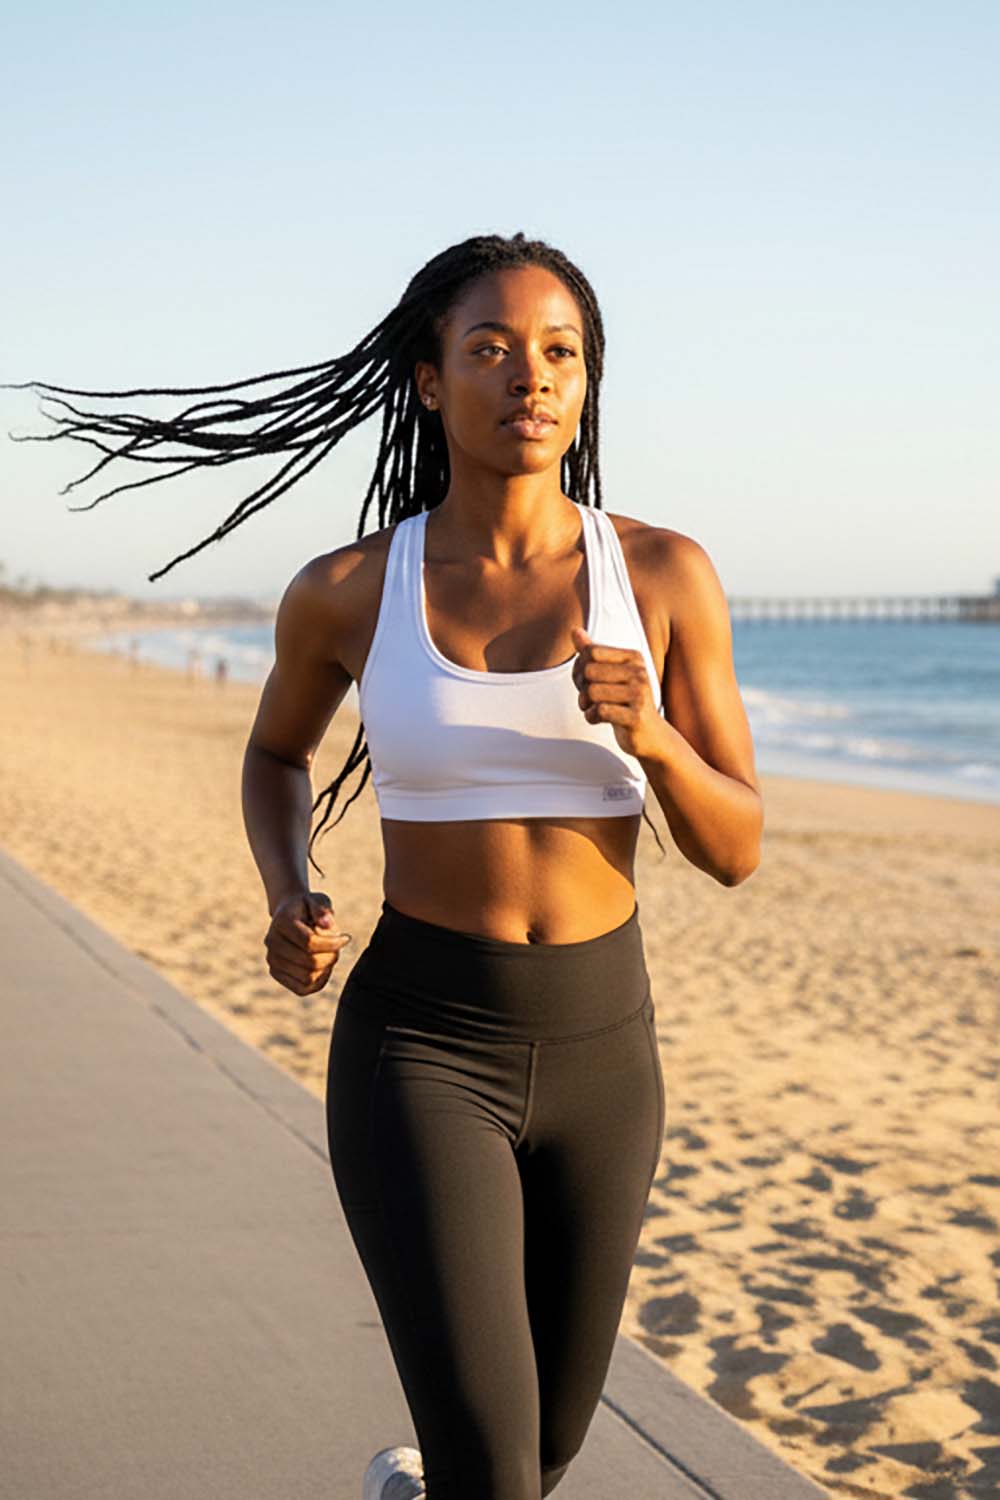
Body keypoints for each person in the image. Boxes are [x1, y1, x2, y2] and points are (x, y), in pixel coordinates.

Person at [10, 232, 762, 1500]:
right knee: (492, 1471)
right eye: (490, 350)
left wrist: (654, 739)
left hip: (602, 1053)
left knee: (551, 1445)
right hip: (422, 1047)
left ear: (586, 385)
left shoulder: (665, 576)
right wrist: (287, 887)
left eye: (559, 353)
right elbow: (272, 755)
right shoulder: (353, 589)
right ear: (427, 379)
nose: (531, 377)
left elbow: (734, 847)